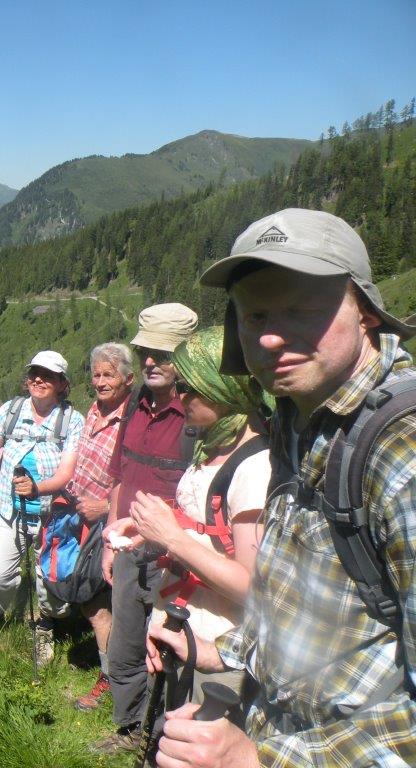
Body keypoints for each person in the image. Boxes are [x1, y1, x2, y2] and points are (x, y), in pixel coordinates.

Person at [149, 208, 416, 767]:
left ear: (366, 312)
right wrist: (218, 651)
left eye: (302, 310)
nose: (271, 336)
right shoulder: (299, 418)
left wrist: (259, 762)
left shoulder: (401, 454)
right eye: (255, 315)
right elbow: (313, 603)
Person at [105, 325, 270, 718]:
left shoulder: (254, 468)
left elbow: (254, 589)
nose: (181, 397)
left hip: (218, 646)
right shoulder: (213, 446)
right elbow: (207, 528)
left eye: (192, 388)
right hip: (184, 629)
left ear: (223, 389)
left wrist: (172, 538)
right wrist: (146, 524)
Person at [95, 303, 198, 755]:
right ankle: (129, 730)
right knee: (125, 644)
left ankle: (162, 738)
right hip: (128, 548)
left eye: (163, 353)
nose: (151, 362)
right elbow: (119, 474)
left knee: (168, 652)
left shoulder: (197, 415)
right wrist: (109, 545)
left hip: (175, 556)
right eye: (145, 353)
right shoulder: (136, 403)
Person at [0, 351, 84, 665]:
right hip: (11, 510)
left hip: (53, 514)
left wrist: (38, 488)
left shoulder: (72, 420)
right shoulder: (10, 411)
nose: (38, 379)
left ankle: (45, 624)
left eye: (47, 375)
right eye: (34, 373)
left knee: (49, 579)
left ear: (62, 384)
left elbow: (67, 473)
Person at [66, 343, 135, 711]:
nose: (101, 382)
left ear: (129, 378)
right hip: (80, 517)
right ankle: (114, 670)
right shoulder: (92, 411)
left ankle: (111, 677)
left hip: (110, 521)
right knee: (91, 595)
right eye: (96, 374)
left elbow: (134, 478)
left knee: (96, 600)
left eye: (109, 375)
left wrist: (107, 506)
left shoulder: (133, 419)